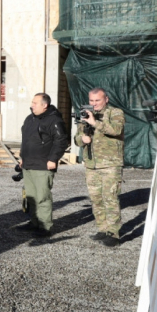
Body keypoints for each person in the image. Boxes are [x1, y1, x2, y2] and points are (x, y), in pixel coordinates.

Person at [74, 87, 125, 247]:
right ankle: (102, 229)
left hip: (110, 164)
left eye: (98, 100)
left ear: (106, 99)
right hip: (91, 164)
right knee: (96, 199)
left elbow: (117, 130)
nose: (94, 104)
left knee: (110, 198)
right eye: (91, 101)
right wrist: (82, 139)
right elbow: (76, 138)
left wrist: (95, 123)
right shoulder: (85, 114)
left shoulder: (115, 113)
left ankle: (113, 234)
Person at [18, 93, 68, 237]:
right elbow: (25, 140)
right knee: (32, 197)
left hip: (43, 165)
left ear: (44, 105)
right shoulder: (30, 118)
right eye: (32, 102)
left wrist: (53, 159)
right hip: (28, 164)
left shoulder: (54, 120)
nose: (31, 105)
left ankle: (45, 227)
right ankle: (34, 223)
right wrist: (22, 157)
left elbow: (61, 141)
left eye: (35, 103)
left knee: (43, 197)